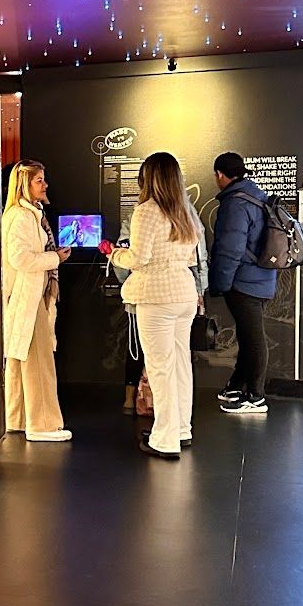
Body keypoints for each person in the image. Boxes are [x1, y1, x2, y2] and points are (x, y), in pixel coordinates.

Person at [99, 152, 199, 460]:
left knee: (160, 367)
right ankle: (181, 429)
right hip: (184, 293)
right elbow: (192, 257)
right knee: (181, 364)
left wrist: (113, 254)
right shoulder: (185, 211)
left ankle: (164, 439)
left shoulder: (145, 212)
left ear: (148, 179)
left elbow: (138, 259)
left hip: (156, 296)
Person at [2, 160, 72, 441]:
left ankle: (17, 418)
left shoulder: (27, 213)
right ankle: (43, 425)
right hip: (28, 297)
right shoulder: (22, 216)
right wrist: (55, 258)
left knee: (21, 359)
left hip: (29, 296)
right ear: (25, 184)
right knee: (39, 361)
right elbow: (19, 259)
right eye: (39, 180)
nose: (45, 185)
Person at [207, 151, 276, 415]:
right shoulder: (256, 196)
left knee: (253, 339)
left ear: (220, 175)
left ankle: (256, 397)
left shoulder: (235, 204)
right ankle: (237, 387)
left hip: (244, 281)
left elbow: (229, 250)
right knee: (248, 336)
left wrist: (219, 284)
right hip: (262, 277)